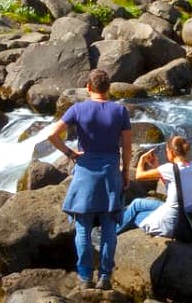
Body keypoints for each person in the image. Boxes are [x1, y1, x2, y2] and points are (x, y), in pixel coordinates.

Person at [37, 69, 131, 291]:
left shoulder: (78, 109)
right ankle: (105, 276)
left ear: (88, 88)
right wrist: (125, 171)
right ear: (108, 88)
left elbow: (51, 134)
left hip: (85, 173)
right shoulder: (120, 111)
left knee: (82, 229)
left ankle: (85, 277)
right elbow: (126, 146)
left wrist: (69, 153)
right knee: (109, 229)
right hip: (110, 173)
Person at [119, 135, 192, 237]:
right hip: (187, 213)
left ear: (171, 152)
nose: (166, 154)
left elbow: (138, 176)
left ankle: (108, 234)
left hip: (174, 221)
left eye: (166, 151)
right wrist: (157, 166)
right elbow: (173, 185)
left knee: (136, 216)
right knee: (137, 203)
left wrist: (142, 160)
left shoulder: (169, 168)